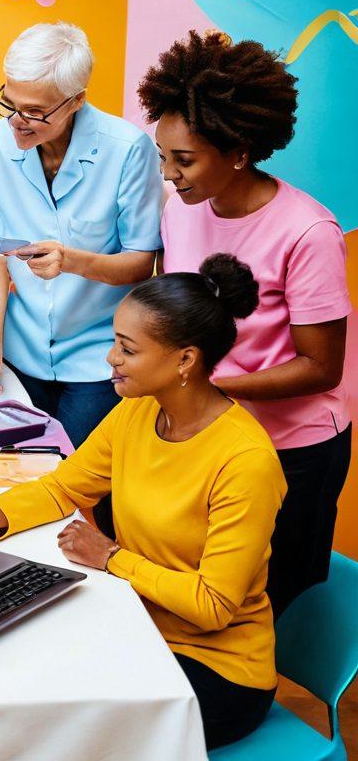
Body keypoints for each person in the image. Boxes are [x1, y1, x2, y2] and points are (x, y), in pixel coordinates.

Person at [0, 254, 285, 750]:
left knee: (45, 725)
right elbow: (62, 487)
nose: (111, 358)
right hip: (135, 622)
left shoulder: (245, 461)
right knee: (4, 673)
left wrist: (110, 556)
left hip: (215, 670)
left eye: (127, 349)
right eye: (115, 341)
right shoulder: (137, 413)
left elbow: (213, 606)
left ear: (185, 360)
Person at [139, 30, 351, 617]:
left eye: (184, 161)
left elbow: (321, 367)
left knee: (271, 605)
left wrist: (206, 391)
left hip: (291, 450)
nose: (170, 175)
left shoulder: (308, 232)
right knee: (207, 599)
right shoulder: (182, 213)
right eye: (164, 157)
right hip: (217, 436)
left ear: (238, 151)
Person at [0, 23, 161, 450]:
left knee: (72, 480)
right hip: (19, 353)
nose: (17, 123)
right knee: (11, 472)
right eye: (10, 103)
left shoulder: (128, 149)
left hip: (98, 359)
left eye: (36, 112)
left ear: (76, 100)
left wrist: (72, 260)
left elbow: (142, 262)